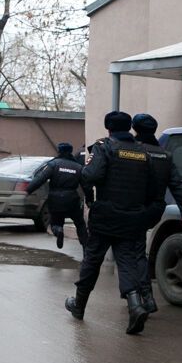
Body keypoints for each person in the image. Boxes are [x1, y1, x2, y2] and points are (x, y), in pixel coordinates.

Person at [65, 111, 153, 335]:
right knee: (126, 262)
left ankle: (79, 305)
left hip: (106, 216)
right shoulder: (143, 151)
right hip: (132, 217)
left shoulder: (104, 147)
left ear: (109, 129)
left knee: (92, 259)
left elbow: (89, 176)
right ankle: (135, 305)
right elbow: (151, 185)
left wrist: (91, 197)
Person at [131, 113, 182, 313]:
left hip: (133, 209)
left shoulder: (134, 151)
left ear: (135, 129)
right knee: (136, 251)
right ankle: (142, 296)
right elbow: (177, 185)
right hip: (155, 210)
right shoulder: (165, 155)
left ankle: (143, 298)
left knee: (131, 253)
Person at [25, 143, 89, 250]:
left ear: (59, 151)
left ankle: (58, 230)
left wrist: (28, 190)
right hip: (72, 199)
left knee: (56, 222)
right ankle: (86, 247)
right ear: (70, 152)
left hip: (55, 199)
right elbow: (86, 185)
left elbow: (40, 179)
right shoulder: (78, 167)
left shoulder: (53, 164)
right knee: (80, 224)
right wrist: (90, 199)